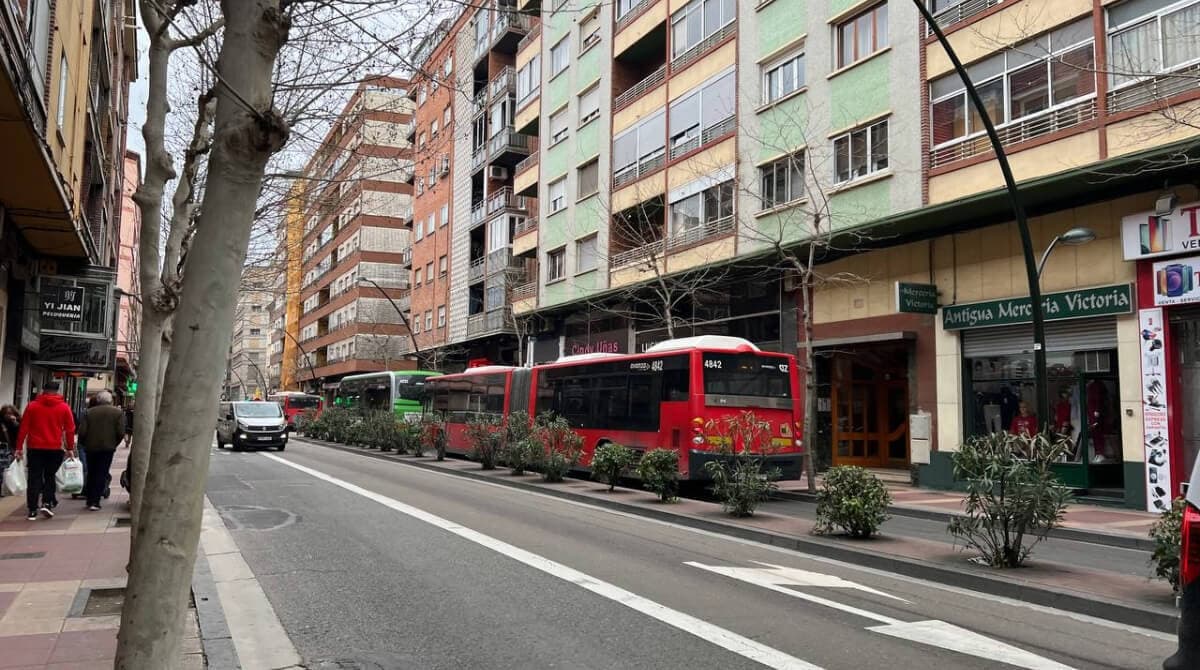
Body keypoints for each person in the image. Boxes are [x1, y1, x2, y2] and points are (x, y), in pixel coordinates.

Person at [14, 381, 76, 520]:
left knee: (34, 477)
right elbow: (70, 429)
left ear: (43, 390)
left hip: (35, 447)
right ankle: (47, 503)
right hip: (55, 448)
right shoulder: (64, 407)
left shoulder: (32, 406)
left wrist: (19, 447)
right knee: (50, 476)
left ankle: (32, 510)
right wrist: (70, 447)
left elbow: (23, 428)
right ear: (57, 391)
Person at [77, 390, 124, 511]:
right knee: (102, 473)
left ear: (98, 400)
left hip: (91, 447)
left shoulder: (89, 412)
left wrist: (84, 443)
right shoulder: (117, 413)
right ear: (110, 400)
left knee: (92, 472)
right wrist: (114, 443)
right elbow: (121, 432)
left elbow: (82, 432)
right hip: (108, 448)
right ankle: (95, 500)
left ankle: (90, 498)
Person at [0, 405, 19, 495]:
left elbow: (18, 436)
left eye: (10, 413)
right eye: (6, 413)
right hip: (2, 448)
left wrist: (15, 423)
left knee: (9, 470)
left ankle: (8, 488)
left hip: (10, 449)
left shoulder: (16, 423)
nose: (9, 415)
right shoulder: (1, 423)